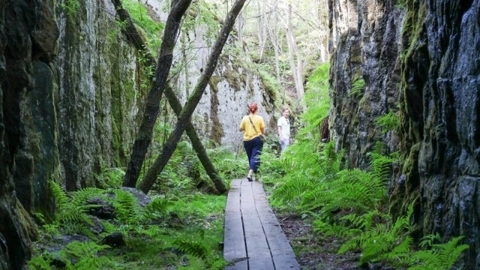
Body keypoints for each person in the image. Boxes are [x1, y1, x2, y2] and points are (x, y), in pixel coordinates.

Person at [239, 102, 265, 181]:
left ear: (249, 109)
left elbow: (240, 129)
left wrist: (247, 128)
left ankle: (256, 175)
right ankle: (250, 174)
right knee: (256, 157)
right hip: (257, 140)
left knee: (251, 157)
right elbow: (263, 131)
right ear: (257, 109)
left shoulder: (245, 118)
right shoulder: (260, 118)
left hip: (246, 141)